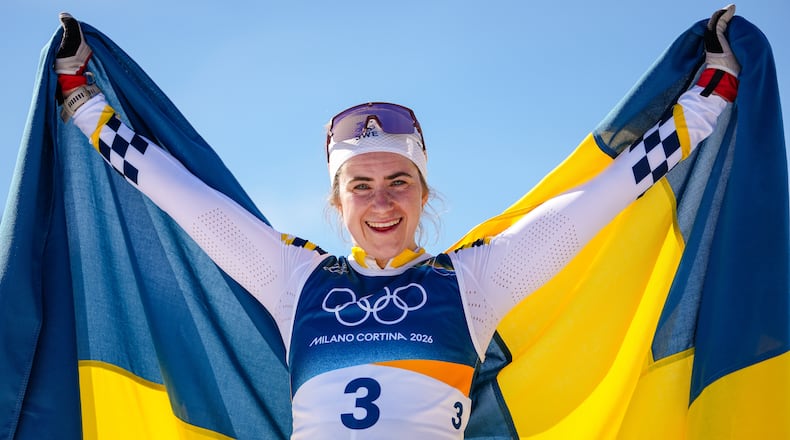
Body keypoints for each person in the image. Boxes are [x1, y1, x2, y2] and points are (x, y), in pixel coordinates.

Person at [54, 5, 740, 439]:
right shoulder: (296, 278)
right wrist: (86, 108)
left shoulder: (472, 280)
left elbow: (598, 200)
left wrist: (705, 105)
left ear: (423, 192)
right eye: (362, 187)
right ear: (338, 201)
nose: (381, 203)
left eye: (398, 183)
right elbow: (186, 201)